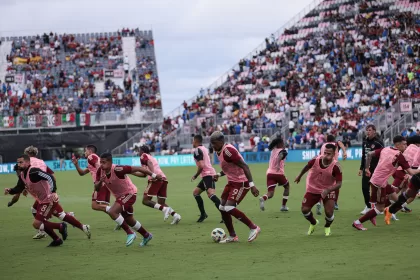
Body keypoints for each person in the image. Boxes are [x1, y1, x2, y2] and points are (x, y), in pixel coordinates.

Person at [5, 155, 91, 247]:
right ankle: (72, 232)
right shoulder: (22, 174)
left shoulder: (33, 171)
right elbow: (19, 188)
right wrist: (10, 190)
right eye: (18, 162)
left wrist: (53, 191)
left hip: (49, 199)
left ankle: (60, 227)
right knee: (61, 215)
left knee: (37, 223)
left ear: (28, 162)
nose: (19, 164)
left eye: (21, 162)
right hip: (41, 200)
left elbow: (50, 177)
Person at [352, 136, 420, 231]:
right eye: (404, 144)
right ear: (398, 144)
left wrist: (367, 168)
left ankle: (373, 214)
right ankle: (357, 223)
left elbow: (369, 154)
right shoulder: (400, 156)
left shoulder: (386, 149)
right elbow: (411, 172)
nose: (406, 146)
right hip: (379, 183)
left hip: (379, 179)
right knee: (380, 208)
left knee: (396, 199)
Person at [95, 153, 161, 247]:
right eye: (100, 162)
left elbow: (138, 168)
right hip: (120, 197)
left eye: (104, 162)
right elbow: (96, 188)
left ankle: (130, 233)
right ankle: (146, 235)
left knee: (112, 212)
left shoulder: (118, 169)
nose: (101, 164)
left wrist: (154, 175)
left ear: (110, 162)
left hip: (130, 194)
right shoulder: (100, 171)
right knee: (129, 219)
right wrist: (100, 181)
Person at [210, 131, 261, 243]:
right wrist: (219, 174)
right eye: (211, 143)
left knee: (229, 207)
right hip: (232, 182)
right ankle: (233, 236)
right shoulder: (219, 152)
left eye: (214, 143)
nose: (213, 146)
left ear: (221, 141)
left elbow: (245, 166)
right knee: (222, 207)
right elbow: (229, 167)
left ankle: (254, 228)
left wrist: (252, 185)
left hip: (242, 182)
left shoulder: (228, 151)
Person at [294, 144, 342, 236]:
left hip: (328, 189)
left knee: (329, 212)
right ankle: (313, 222)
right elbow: (307, 166)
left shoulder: (336, 166)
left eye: (329, 153)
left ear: (334, 154)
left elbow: (339, 183)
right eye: (325, 153)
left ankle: (327, 226)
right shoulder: (315, 160)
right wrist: (299, 176)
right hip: (313, 188)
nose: (326, 155)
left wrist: (328, 190)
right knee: (304, 210)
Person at [138, 145, 181, 225]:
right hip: (163, 179)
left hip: (156, 179)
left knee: (145, 200)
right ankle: (176, 215)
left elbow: (149, 163)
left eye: (139, 150)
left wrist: (153, 175)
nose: (138, 152)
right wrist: (132, 172)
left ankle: (165, 210)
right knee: (161, 202)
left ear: (143, 151)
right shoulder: (151, 157)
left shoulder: (143, 156)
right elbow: (144, 174)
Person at [72, 145, 111, 213]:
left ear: (90, 151)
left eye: (85, 151)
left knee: (95, 205)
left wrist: (101, 179)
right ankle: (121, 219)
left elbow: (100, 166)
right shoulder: (94, 160)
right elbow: (82, 173)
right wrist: (76, 164)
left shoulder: (91, 156)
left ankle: (118, 211)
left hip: (100, 183)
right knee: (103, 207)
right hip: (103, 183)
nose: (85, 152)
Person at [191, 135, 221, 222]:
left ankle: (225, 213)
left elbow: (201, 165)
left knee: (211, 194)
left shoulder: (197, 150)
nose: (192, 143)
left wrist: (196, 175)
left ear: (195, 141)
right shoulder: (204, 148)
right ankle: (203, 214)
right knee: (196, 193)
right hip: (208, 174)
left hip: (208, 174)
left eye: (193, 141)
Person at [316, 135, 347, 213]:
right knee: (336, 185)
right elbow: (340, 143)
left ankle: (319, 202)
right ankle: (335, 203)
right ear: (334, 139)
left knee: (321, 185)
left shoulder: (323, 145)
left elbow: (319, 156)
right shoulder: (336, 144)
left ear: (327, 139)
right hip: (333, 167)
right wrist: (344, 152)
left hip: (323, 166)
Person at [259, 137, 290, 211]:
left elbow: (278, 157)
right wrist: (279, 164)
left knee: (270, 193)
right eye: (282, 142)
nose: (283, 144)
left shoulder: (273, 151)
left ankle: (263, 198)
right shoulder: (283, 151)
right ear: (280, 144)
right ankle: (283, 206)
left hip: (270, 173)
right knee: (287, 187)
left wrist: (281, 164)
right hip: (278, 173)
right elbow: (281, 155)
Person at [359, 125, 384, 215]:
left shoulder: (378, 143)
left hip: (376, 169)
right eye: (367, 130)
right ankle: (368, 206)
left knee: (376, 188)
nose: (368, 132)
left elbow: (383, 155)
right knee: (365, 187)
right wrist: (361, 168)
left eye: (369, 130)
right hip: (367, 169)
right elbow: (363, 155)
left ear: (374, 131)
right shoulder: (365, 142)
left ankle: (378, 206)